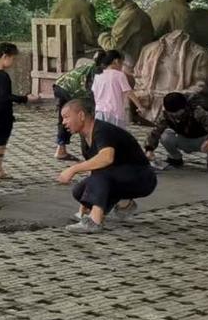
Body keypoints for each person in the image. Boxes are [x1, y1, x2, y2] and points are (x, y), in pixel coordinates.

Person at [55, 98, 156, 234]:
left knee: (102, 172)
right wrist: (82, 210)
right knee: (79, 191)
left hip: (142, 177)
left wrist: (73, 169)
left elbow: (106, 158)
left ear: (81, 115)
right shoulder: (85, 136)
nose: (63, 122)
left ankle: (95, 222)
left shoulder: (102, 130)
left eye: (66, 117)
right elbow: (93, 168)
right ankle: (123, 203)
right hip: (120, 176)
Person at [0, 42, 40, 182]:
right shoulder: (2, 76)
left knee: (0, 142)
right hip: (1, 110)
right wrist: (26, 98)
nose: (13, 62)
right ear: (5, 56)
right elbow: (6, 96)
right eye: (12, 58)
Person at [144, 92, 208, 170]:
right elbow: (155, 132)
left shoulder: (197, 111)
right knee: (165, 136)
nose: (175, 115)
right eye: (172, 113)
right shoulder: (166, 115)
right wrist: (149, 149)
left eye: (177, 112)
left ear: (184, 107)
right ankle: (175, 158)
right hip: (182, 139)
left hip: (201, 141)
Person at [51, 57, 99, 161]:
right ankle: (88, 152)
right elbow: (91, 91)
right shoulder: (98, 70)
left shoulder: (90, 66)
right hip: (70, 90)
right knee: (82, 117)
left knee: (64, 118)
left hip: (60, 86)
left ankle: (61, 149)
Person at [90, 49, 132, 126]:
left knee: (102, 136)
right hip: (115, 114)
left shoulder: (98, 76)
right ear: (116, 61)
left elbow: (94, 92)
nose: (122, 66)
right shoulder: (120, 75)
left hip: (99, 113)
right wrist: (140, 106)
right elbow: (129, 92)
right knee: (116, 137)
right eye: (122, 63)